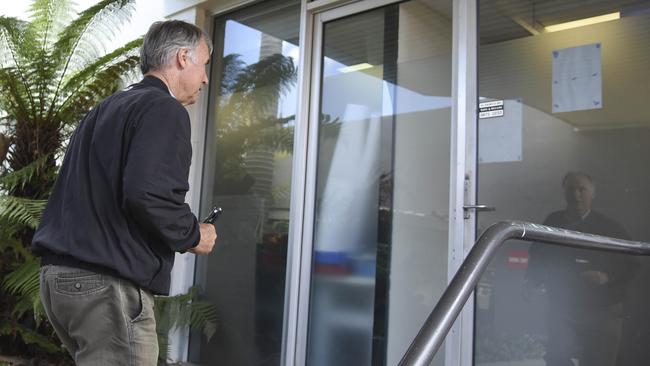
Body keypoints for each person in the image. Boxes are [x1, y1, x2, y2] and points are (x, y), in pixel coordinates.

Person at [31, 20, 217, 365]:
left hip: (59, 280)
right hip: (105, 287)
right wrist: (194, 234)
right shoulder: (164, 109)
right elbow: (148, 195)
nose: (205, 78)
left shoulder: (103, 109)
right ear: (182, 58)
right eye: (204, 64)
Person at [526, 171, 636, 366]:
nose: (576, 195)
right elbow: (537, 255)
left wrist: (606, 277)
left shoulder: (610, 228)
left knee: (598, 360)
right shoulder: (553, 222)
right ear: (564, 193)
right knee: (556, 357)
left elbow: (632, 263)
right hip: (564, 306)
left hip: (602, 309)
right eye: (571, 189)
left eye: (582, 189)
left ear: (592, 194)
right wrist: (535, 282)